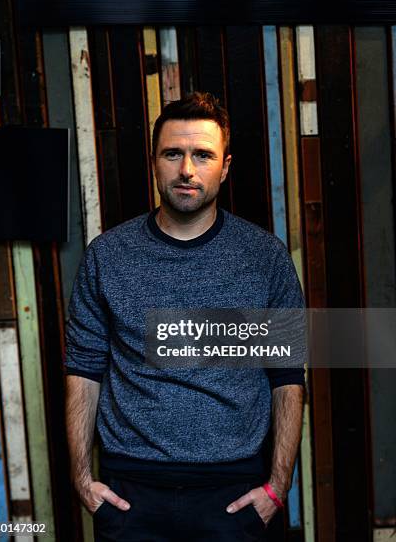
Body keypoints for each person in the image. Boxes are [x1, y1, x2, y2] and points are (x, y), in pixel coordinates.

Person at [64, 92, 305, 542]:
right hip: (130, 493)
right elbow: (83, 368)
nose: (187, 170)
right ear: (154, 162)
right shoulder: (108, 257)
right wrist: (82, 480)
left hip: (234, 492)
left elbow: (287, 375)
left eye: (203, 155)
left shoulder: (265, 258)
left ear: (225, 166)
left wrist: (277, 486)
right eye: (173, 153)